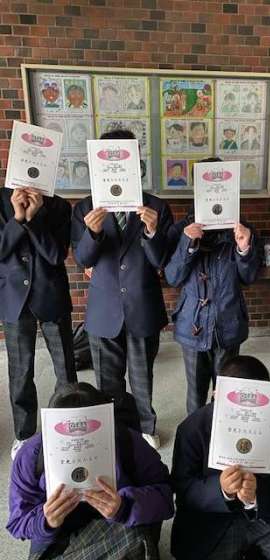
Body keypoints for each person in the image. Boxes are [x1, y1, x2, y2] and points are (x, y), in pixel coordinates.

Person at [71, 129, 173, 449]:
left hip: (143, 305)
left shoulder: (155, 206)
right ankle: (112, 429)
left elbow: (162, 261)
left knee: (142, 376)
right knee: (107, 380)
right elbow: (82, 258)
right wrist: (92, 233)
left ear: (136, 162)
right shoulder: (85, 208)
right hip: (104, 311)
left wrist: (153, 231)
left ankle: (146, 425)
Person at [171, 355, 270, 560]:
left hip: (266, 512)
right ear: (216, 394)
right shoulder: (192, 428)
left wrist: (257, 495)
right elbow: (183, 489)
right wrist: (222, 490)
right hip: (211, 518)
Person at [7, 382, 174, 560]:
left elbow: (165, 499)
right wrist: (45, 521)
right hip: (59, 538)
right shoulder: (31, 456)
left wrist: (124, 506)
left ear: (108, 423)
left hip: (119, 528)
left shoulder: (128, 442)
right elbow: (17, 522)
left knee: (133, 539)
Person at [165, 158, 260, 414]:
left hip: (228, 323)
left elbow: (250, 277)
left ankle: (222, 433)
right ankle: (196, 433)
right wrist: (187, 244)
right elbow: (172, 277)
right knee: (195, 393)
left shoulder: (242, 229)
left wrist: (244, 249)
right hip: (192, 324)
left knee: (227, 392)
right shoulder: (181, 230)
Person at [0, 186, 77, 459]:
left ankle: (69, 425)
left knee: (65, 368)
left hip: (52, 296)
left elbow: (56, 255)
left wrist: (34, 217)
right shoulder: (1, 200)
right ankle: (24, 434)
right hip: (14, 299)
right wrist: (17, 218)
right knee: (20, 373)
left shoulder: (59, 206)